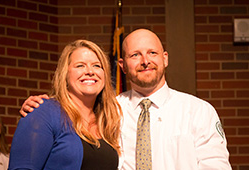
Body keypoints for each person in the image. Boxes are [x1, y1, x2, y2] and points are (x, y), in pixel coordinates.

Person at [20, 29, 232, 170]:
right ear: (121, 65)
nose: (145, 61)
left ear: (165, 58)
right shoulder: (110, 110)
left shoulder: (198, 111)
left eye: (152, 53)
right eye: (135, 55)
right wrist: (41, 109)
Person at [9, 39, 122, 170]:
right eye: (80, 65)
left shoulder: (108, 119)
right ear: (65, 74)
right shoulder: (44, 112)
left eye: (97, 65)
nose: (90, 71)